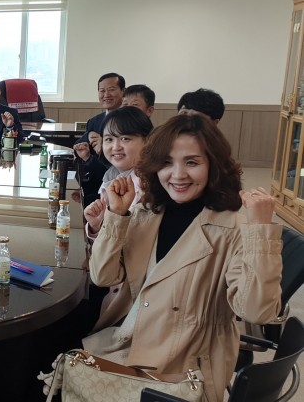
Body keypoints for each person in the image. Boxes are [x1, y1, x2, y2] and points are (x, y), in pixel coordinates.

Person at [46, 114, 282, 402]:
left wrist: (261, 232)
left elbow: (258, 312)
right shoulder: (147, 213)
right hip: (128, 340)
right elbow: (103, 276)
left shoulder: (234, 229)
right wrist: (116, 216)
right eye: (167, 163)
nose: (178, 175)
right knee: (43, 354)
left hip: (183, 367)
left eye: (192, 162)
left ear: (214, 165)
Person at [80, 106, 153, 332]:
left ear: (147, 141)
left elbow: (129, 249)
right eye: (109, 139)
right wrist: (97, 226)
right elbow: (111, 237)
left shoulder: (145, 186)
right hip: (108, 273)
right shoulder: (115, 175)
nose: (116, 146)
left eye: (125, 138)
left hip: (127, 292)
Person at [73, 73, 125, 207]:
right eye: (102, 91)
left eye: (111, 90)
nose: (106, 95)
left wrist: (106, 143)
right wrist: (89, 134)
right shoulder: (94, 121)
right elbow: (77, 146)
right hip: (93, 183)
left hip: (118, 187)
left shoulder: (129, 121)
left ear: (123, 91)